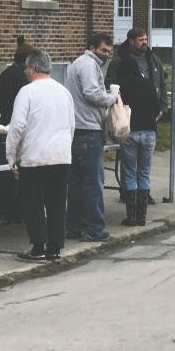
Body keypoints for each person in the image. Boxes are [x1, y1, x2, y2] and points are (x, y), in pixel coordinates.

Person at [6, 49, 75, 261]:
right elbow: (71, 124)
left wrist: (11, 154)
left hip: (35, 156)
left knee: (33, 203)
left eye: (27, 68)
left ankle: (38, 246)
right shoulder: (64, 92)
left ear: (33, 68)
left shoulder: (27, 92)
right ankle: (55, 247)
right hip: (61, 155)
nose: (25, 72)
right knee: (57, 204)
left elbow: (17, 126)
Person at [107, 28, 167, 225]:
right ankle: (142, 216)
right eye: (141, 39)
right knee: (144, 172)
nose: (145, 42)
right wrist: (158, 113)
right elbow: (157, 102)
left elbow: (115, 106)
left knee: (129, 172)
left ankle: (131, 216)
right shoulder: (147, 84)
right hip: (149, 131)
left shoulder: (120, 86)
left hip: (130, 132)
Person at [65, 32, 118, 241]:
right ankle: (94, 229)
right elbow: (92, 93)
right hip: (89, 130)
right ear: (92, 47)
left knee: (76, 183)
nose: (106, 54)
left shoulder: (77, 64)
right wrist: (112, 97)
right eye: (103, 50)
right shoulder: (88, 65)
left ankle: (74, 226)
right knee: (93, 183)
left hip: (76, 129)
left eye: (109, 51)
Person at [0, 36, 36, 223]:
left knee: (7, 172)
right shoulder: (20, 77)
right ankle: (13, 208)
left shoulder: (7, 73)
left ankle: (7, 206)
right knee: (13, 172)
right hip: (12, 126)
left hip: (5, 125)